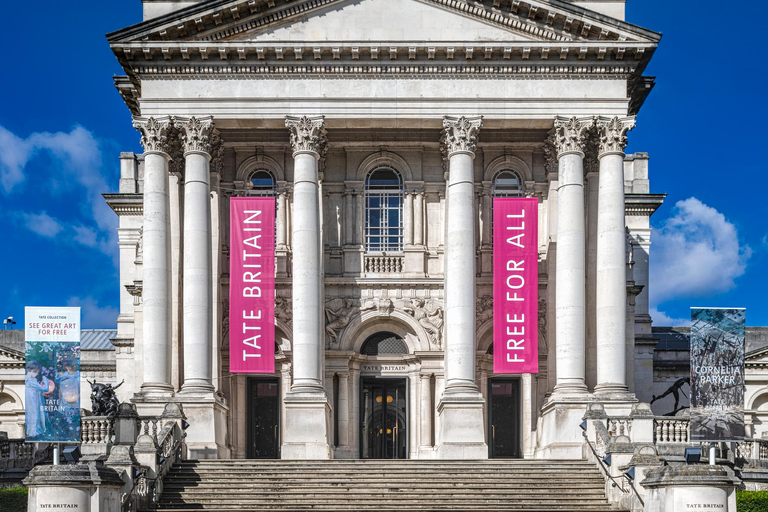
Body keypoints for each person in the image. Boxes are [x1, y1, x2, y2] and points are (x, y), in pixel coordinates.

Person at [25, 361, 54, 438]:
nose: (37, 374)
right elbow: (45, 389)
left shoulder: (27, 380)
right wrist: (45, 380)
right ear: (33, 371)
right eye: (37, 372)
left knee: (32, 416)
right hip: (34, 402)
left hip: (30, 401)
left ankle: (32, 432)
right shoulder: (31, 381)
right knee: (35, 416)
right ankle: (33, 433)